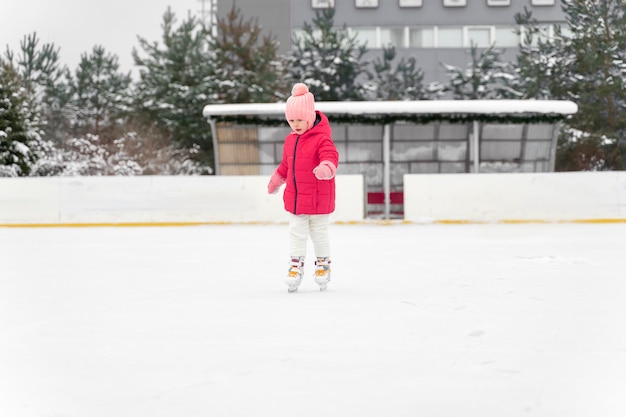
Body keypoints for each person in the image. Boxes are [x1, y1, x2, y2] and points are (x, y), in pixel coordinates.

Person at [267, 83, 339, 293]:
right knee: (296, 234)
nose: (295, 124)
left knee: (319, 234)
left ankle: (323, 265)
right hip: (296, 200)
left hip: (319, 199)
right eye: (291, 120)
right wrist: (276, 180)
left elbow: (331, 156)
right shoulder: (290, 141)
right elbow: (285, 166)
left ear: (309, 117)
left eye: (300, 119)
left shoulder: (322, 138)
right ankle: (295, 266)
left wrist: (326, 167)